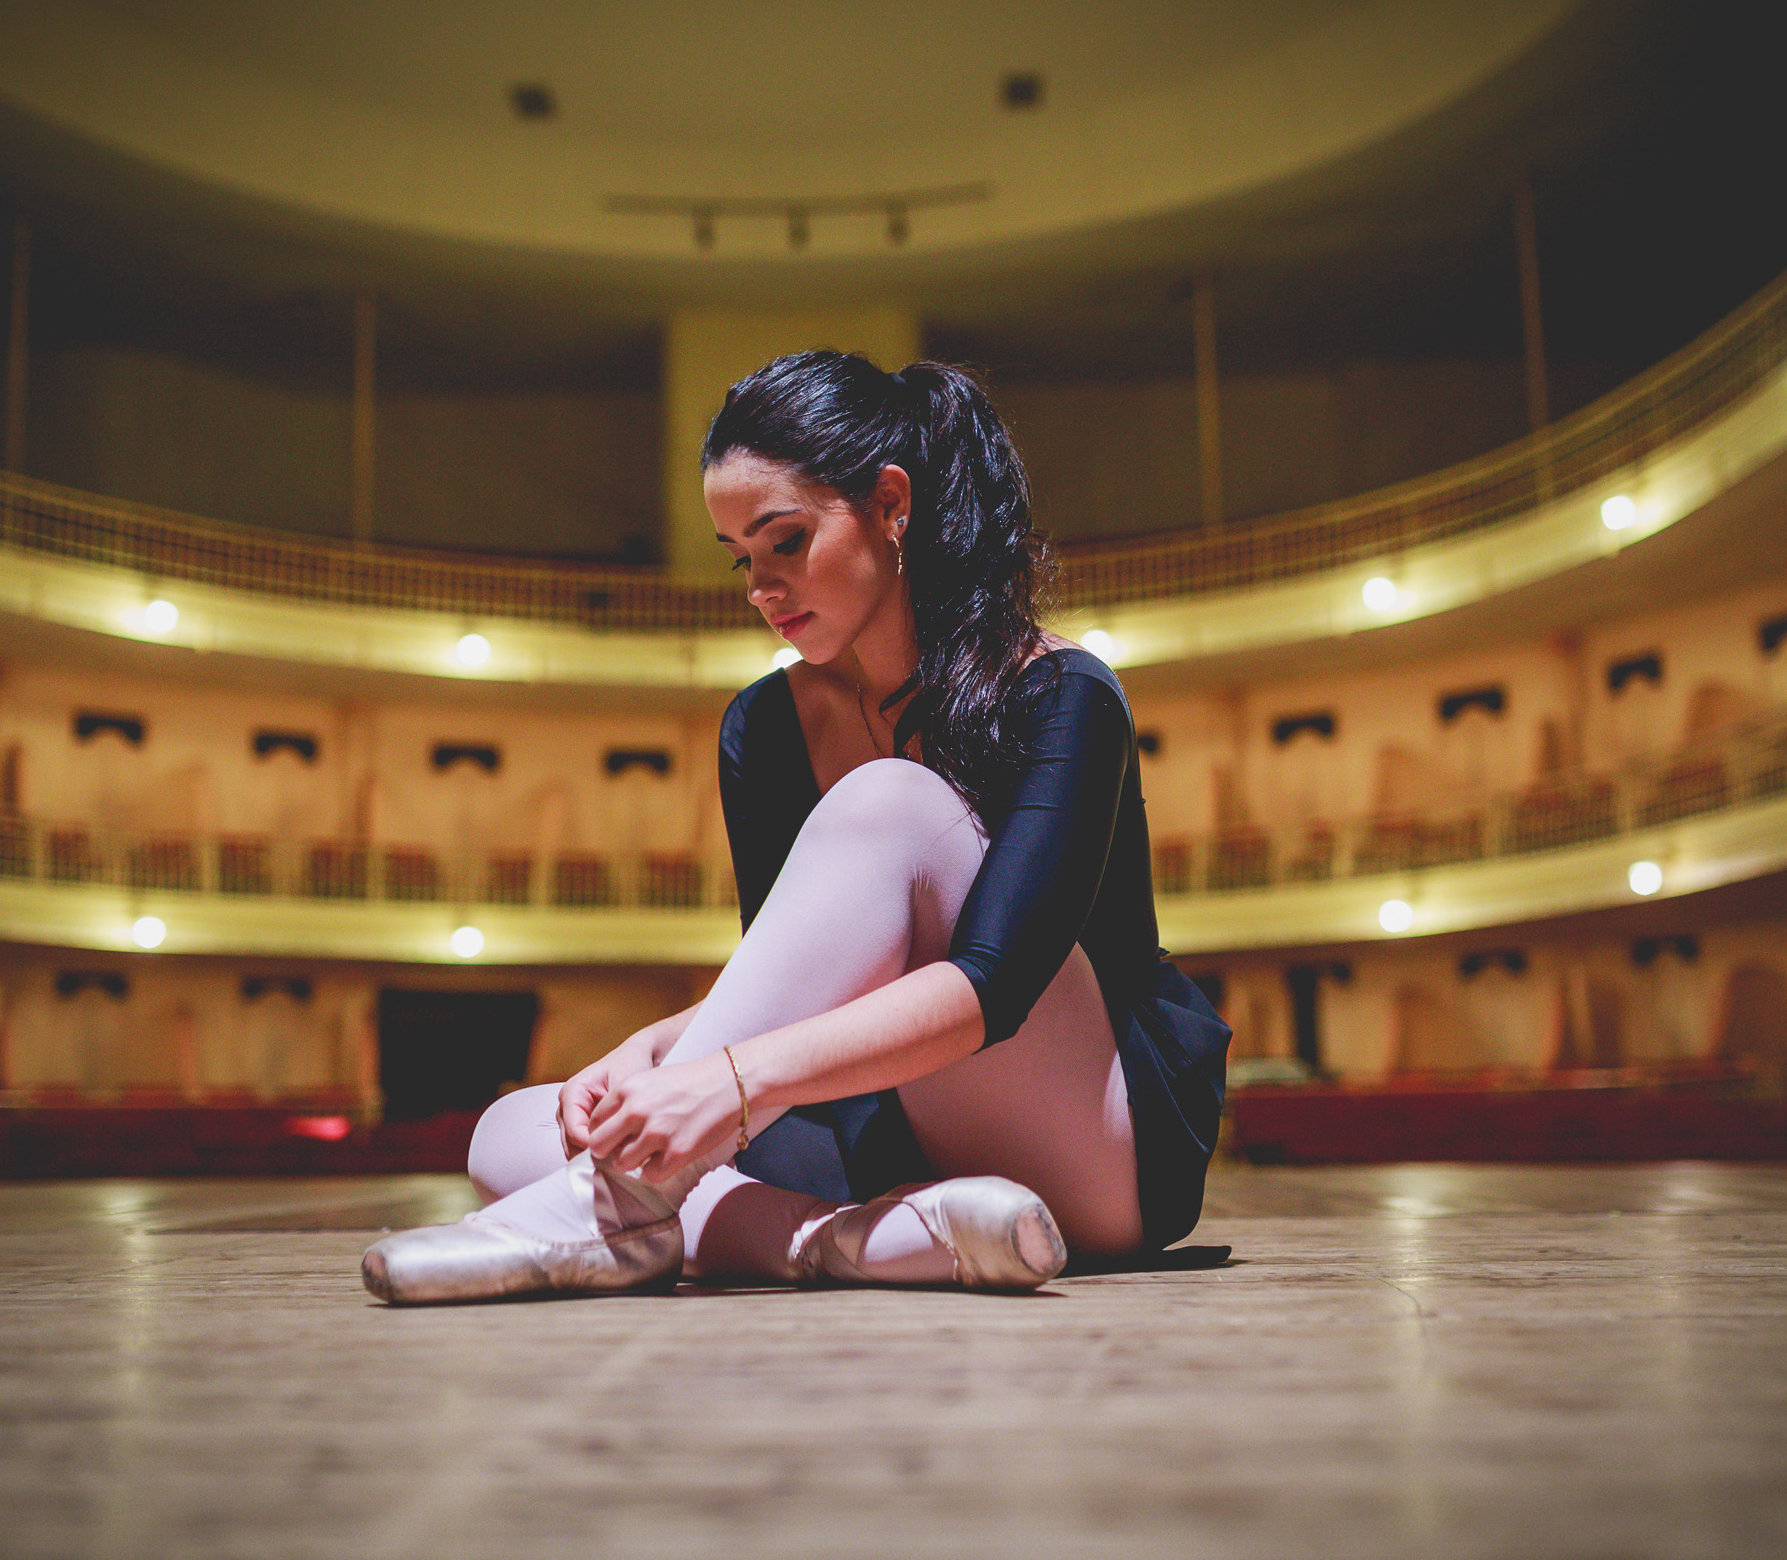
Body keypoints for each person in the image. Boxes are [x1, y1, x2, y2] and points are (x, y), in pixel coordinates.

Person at [362, 352, 1230, 1304]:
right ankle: (845, 1241)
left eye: (786, 540)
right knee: (515, 1128)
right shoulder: (763, 727)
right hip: (891, 1126)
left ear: (891, 505)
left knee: (891, 800)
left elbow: (993, 986)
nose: (762, 588)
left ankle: (627, 1204)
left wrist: (722, 1082)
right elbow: (807, 981)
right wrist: (651, 1056)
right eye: (743, 557)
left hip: (1097, 1141)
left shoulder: (1061, 692)